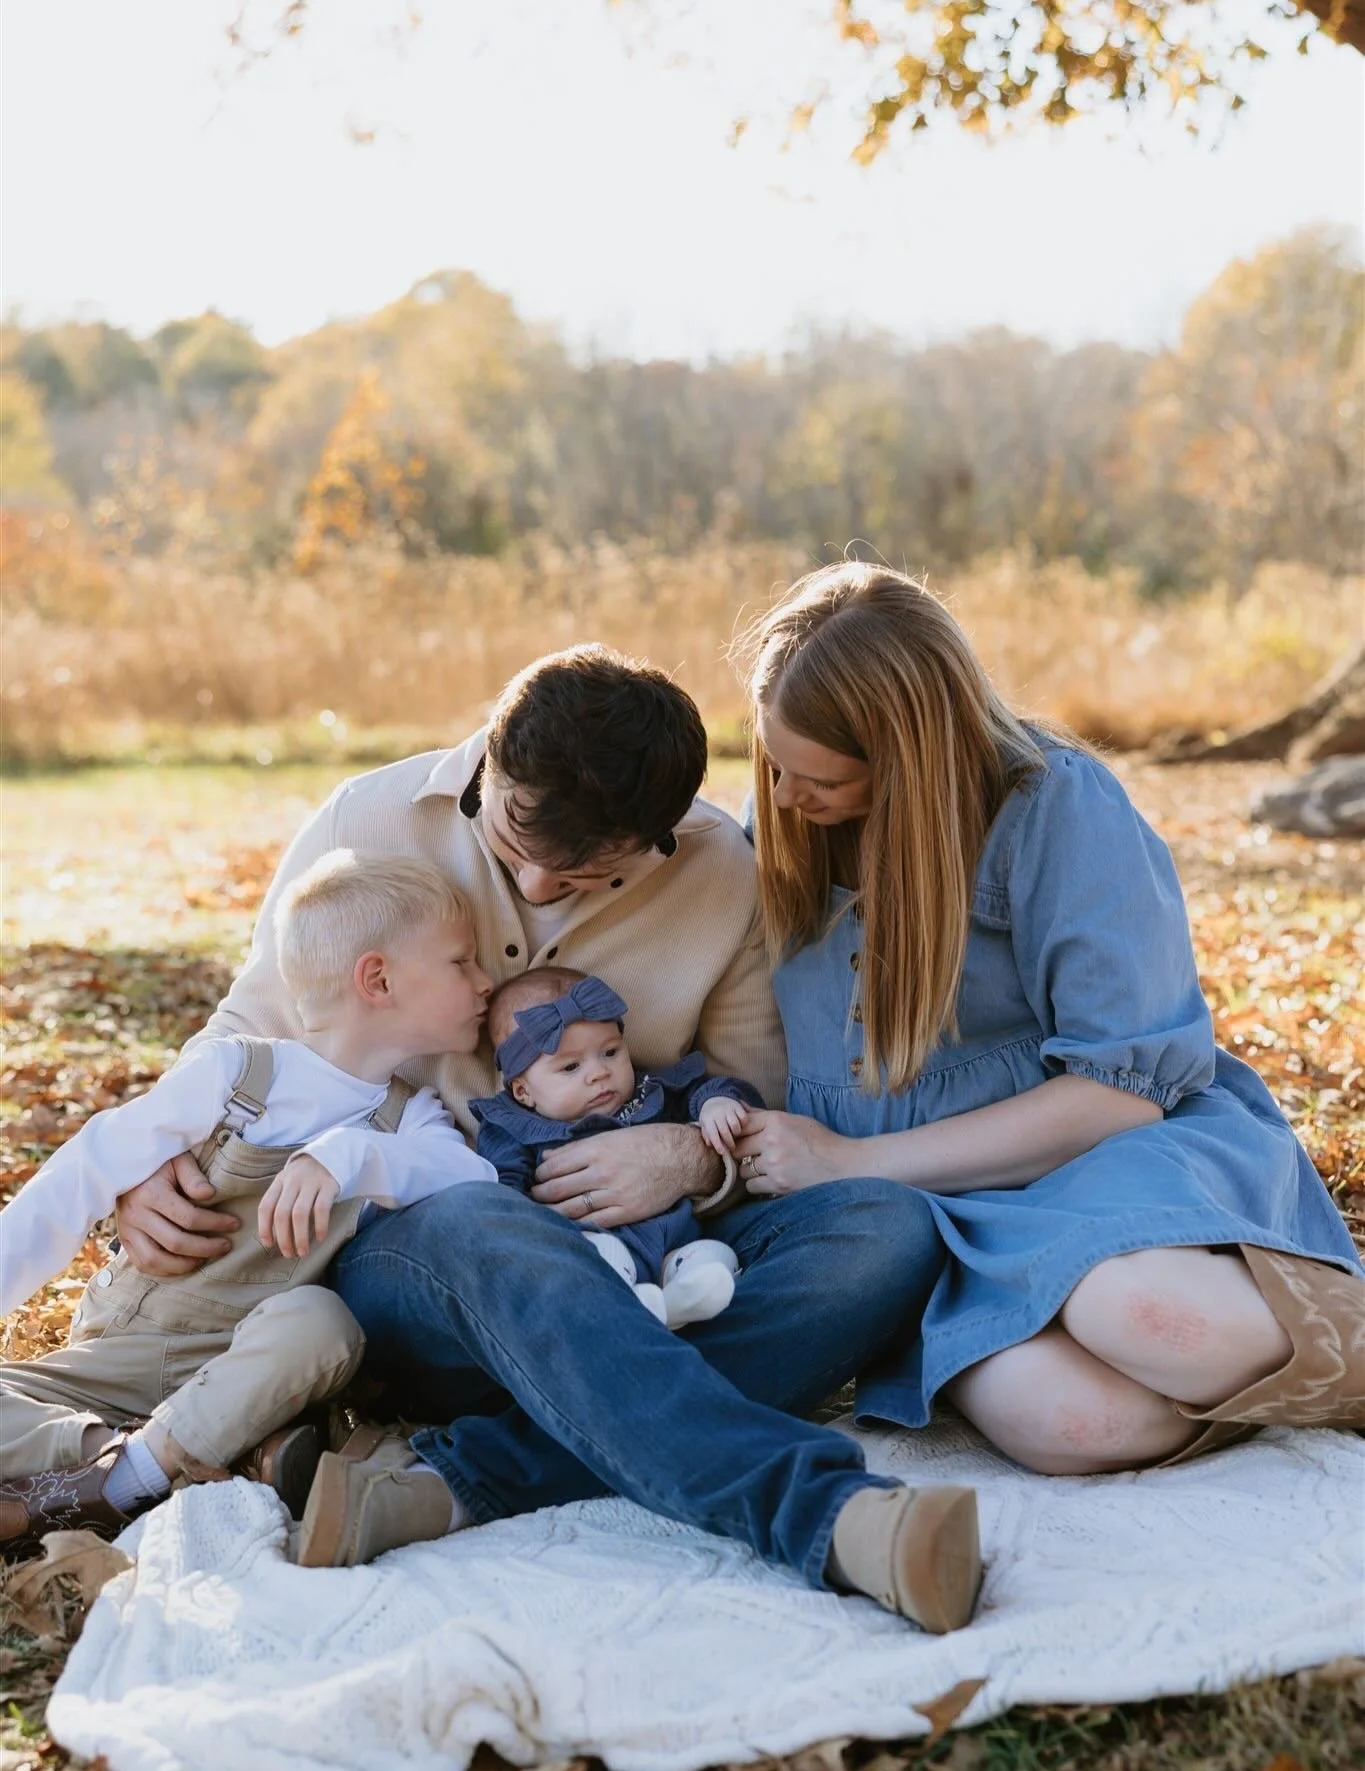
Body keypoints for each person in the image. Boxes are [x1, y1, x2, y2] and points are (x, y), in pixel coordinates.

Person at [110, 645, 984, 1633]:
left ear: (658, 838)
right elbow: (247, 1030)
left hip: (651, 1257)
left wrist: (689, 1158)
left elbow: (753, 1098)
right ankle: (834, 1519)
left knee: (886, 1227)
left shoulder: (718, 874)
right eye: (509, 840)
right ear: (489, 758)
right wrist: (153, 1152)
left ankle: (453, 1482)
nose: (530, 884)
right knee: (476, 1215)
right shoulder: (366, 821)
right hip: (420, 1249)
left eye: (584, 874)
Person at [729, 560, 1365, 1474]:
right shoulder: (785, 828)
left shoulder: (1056, 807)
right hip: (938, 1219)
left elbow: (1117, 1096)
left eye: (818, 778)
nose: (785, 799)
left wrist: (852, 1162)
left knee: (1142, 1314)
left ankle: (1271, 1341)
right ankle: (1244, 1379)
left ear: (910, 758)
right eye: (773, 766)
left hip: (1093, 1158)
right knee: (1070, 1425)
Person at [0, 850, 498, 1549]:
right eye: (461, 961)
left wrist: (346, 1156)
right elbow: (85, 1171)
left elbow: (474, 1182)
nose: (484, 981)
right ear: (378, 979)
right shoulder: (236, 1073)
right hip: (126, 1356)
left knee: (322, 1321)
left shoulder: (408, 1118)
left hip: (267, 1365)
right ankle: (137, 1461)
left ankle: (123, 1479)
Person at [472, 967, 759, 1328]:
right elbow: (502, 1193)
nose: (598, 1073)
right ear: (523, 1092)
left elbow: (705, 1089)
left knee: (715, 1257)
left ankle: (676, 1303)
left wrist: (716, 1104)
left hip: (673, 1250)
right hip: (590, 1245)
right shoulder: (514, 1128)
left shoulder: (648, 1093)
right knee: (601, 1257)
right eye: (570, 1067)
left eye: (609, 1052)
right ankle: (626, 1307)